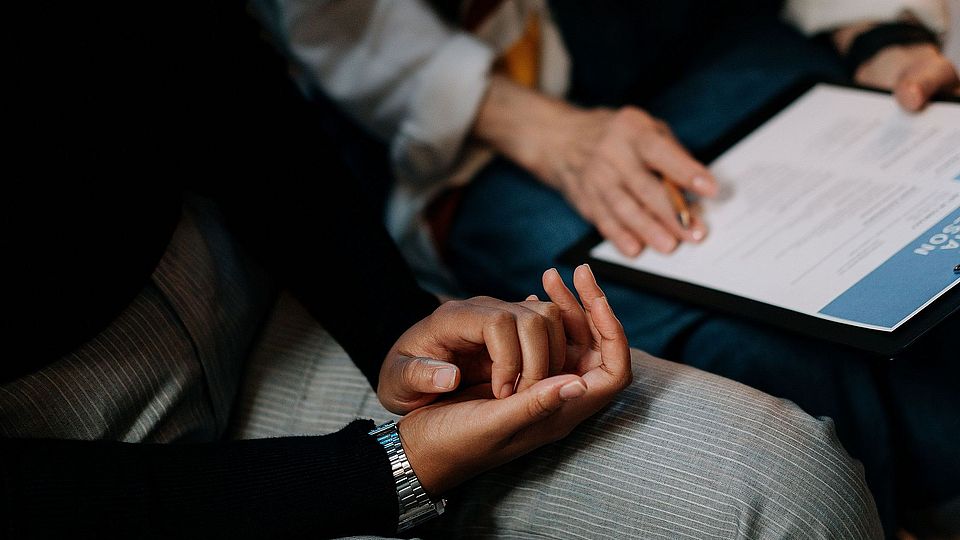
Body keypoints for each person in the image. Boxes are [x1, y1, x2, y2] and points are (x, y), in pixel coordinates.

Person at [0, 1, 883, 538]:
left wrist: (394, 330)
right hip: (67, 462)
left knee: (780, 481)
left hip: (255, 288)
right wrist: (388, 471)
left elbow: (220, 75)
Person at [253, 0, 960, 535]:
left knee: (900, 238)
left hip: (697, 33)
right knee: (733, 339)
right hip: (467, 129)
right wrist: (541, 129)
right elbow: (338, 24)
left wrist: (875, 34)